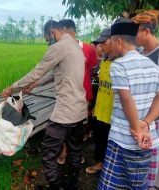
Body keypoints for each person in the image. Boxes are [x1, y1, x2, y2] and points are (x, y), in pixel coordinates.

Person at [2, 20, 88, 190]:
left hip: (65, 112)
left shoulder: (58, 47)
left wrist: (12, 87)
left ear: (51, 32)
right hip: (79, 109)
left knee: (48, 154)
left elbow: (37, 71)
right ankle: (72, 185)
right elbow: (58, 71)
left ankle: (55, 187)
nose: (48, 42)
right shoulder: (75, 46)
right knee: (75, 150)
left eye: (47, 39)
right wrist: (35, 85)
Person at [98, 18, 159, 189]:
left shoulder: (119, 65)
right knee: (138, 185)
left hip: (123, 139)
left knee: (111, 185)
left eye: (111, 41)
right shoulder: (152, 66)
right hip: (147, 138)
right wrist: (145, 123)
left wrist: (136, 128)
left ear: (118, 41)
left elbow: (126, 99)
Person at [55, 19, 97, 165]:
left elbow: (91, 69)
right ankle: (64, 151)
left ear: (71, 32)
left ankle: (76, 154)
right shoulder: (59, 49)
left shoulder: (88, 49)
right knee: (64, 126)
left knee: (78, 127)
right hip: (65, 95)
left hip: (83, 95)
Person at [132, 10, 159, 188]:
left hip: (153, 118)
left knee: (150, 154)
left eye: (135, 32)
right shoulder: (139, 52)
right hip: (136, 115)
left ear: (146, 31)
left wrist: (150, 119)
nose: (133, 37)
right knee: (137, 155)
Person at [84, 27, 115, 174]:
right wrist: (95, 106)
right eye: (99, 43)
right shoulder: (103, 62)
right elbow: (101, 89)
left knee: (110, 141)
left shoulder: (121, 63)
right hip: (100, 110)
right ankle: (101, 163)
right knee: (100, 139)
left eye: (103, 42)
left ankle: (109, 166)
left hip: (113, 113)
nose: (100, 46)